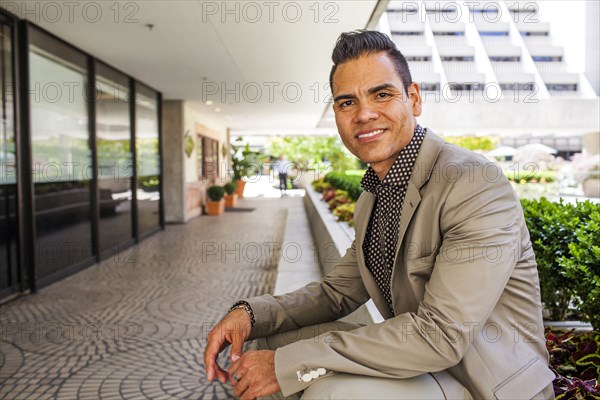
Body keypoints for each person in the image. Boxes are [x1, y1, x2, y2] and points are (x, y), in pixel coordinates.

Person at [204, 30, 554, 400]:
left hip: (483, 382)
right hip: (421, 365)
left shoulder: (472, 183)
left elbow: (440, 336)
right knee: (271, 344)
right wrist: (250, 313)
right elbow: (335, 293)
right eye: (346, 102)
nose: (364, 114)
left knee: (325, 388)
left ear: (414, 98)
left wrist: (288, 365)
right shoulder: (373, 197)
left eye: (381, 94)